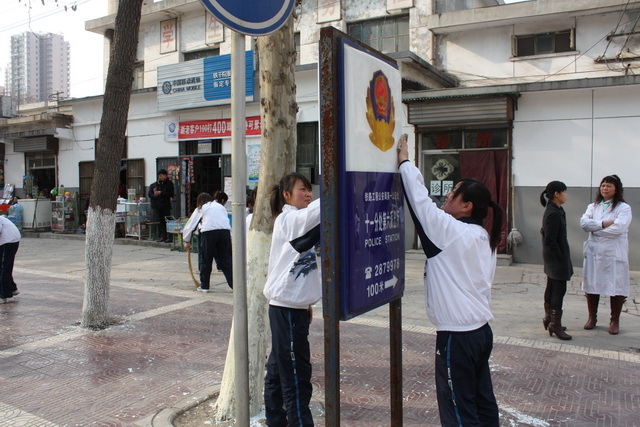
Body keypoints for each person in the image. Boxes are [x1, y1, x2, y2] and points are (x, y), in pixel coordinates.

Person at [397, 134, 501, 426]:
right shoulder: (482, 235)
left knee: (458, 411)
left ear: (467, 206)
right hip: (480, 332)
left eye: (454, 193)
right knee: (482, 402)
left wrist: (405, 163)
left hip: (458, 337)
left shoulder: (452, 233)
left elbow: (420, 203)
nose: (446, 196)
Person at [263, 172, 320, 427]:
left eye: (309, 189)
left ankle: (275, 421)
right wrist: (337, 188)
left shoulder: (296, 221)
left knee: (278, 371)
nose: (308, 194)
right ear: (286, 195)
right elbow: (318, 212)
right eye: (302, 190)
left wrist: (305, 302)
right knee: (296, 379)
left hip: (290, 307)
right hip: (286, 311)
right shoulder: (289, 219)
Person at [580, 174, 631, 335]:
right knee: (592, 284)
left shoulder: (623, 208)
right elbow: (584, 224)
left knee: (616, 285)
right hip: (595, 252)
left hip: (613, 253)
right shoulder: (593, 206)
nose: (605, 188)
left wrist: (596, 229)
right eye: (603, 185)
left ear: (616, 189)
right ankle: (592, 317)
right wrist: (603, 224)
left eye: (609, 186)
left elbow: (619, 228)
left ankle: (614, 320)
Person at [540, 181, 573, 340]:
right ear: (557, 194)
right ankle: (555, 324)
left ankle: (549, 318)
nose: (566, 195)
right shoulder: (553, 213)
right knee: (558, 290)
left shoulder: (556, 209)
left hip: (554, 256)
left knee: (552, 287)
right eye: (564, 192)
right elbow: (550, 239)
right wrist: (559, 256)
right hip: (555, 258)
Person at [182, 191, 233, 291]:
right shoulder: (221, 207)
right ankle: (234, 285)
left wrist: (186, 240)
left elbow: (191, 224)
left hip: (209, 233)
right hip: (225, 232)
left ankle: (204, 285)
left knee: (206, 259)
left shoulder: (202, 207)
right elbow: (225, 222)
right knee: (226, 260)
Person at [148, 169, 175, 243]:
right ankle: (164, 236)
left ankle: (170, 237)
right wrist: (155, 193)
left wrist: (161, 192)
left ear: (165, 175)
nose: (159, 177)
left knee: (168, 221)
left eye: (161, 176)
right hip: (159, 205)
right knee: (161, 221)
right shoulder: (157, 184)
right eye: (158, 176)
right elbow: (151, 194)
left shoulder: (169, 183)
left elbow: (170, 194)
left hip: (166, 205)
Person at [0, 215, 21, 303]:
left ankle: (5, 295)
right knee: (6, 266)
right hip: (11, 239)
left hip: (8, 241)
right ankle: (12, 288)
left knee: (3, 268)